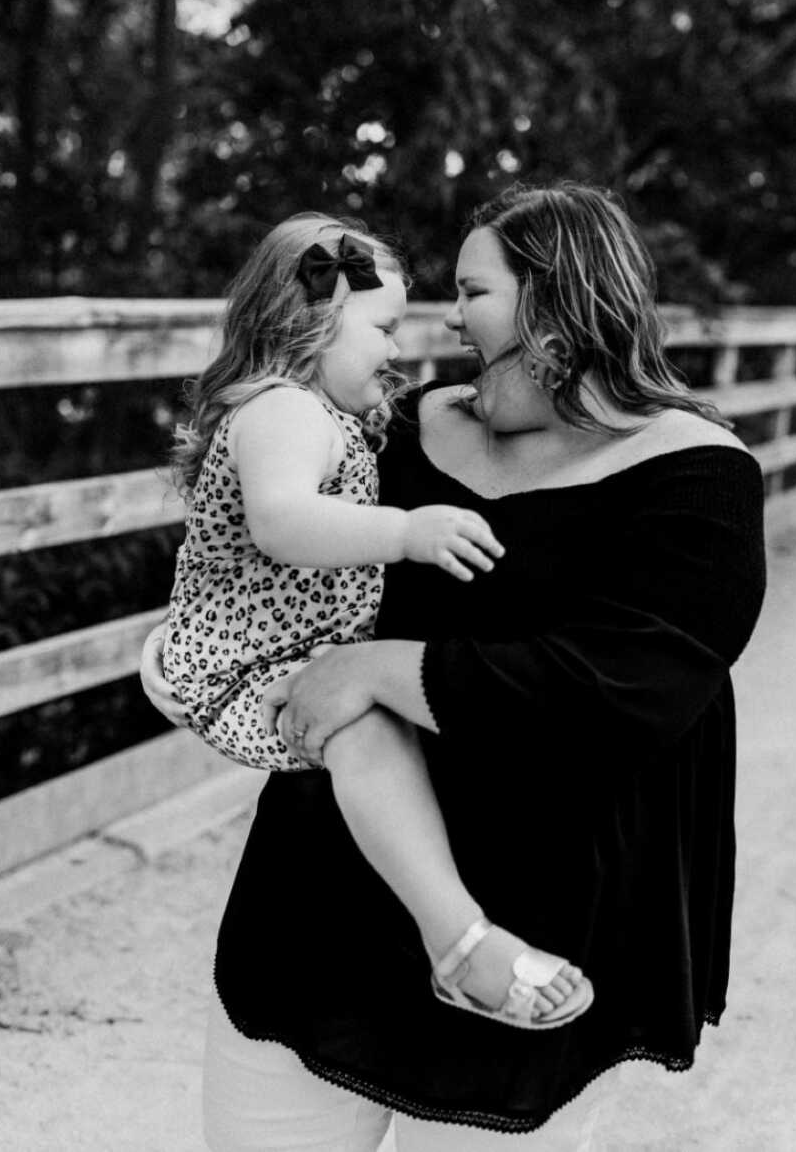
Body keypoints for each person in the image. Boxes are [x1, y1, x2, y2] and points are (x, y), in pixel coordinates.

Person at [141, 182, 766, 1151]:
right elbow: (278, 557)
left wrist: (385, 669)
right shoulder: (404, 427)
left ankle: (462, 942)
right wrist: (204, 654)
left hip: (538, 930)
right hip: (325, 902)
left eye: (473, 290)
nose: (445, 318)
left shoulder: (699, 475)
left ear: (557, 301)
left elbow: (633, 685)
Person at [162, 211, 593, 1032]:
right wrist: (405, 532)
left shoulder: (319, 413)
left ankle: (446, 925)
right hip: (250, 660)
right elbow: (279, 522)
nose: (399, 348)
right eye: (384, 328)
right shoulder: (284, 411)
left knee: (381, 717)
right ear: (313, 321)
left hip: (273, 645)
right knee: (366, 725)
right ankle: (460, 942)